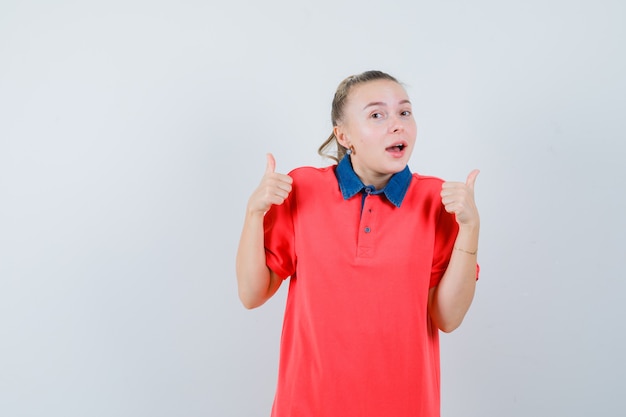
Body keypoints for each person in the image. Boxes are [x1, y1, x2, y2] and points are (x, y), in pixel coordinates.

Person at [236, 70, 480, 417]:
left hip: (405, 406)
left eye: (404, 112)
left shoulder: (437, 200)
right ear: (344, 135)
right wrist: (253, 213)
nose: (397, 125)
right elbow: (251, 294)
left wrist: (470, 229)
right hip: (307, 405)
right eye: (377, 115)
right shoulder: (302, 189)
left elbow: (448, 317)